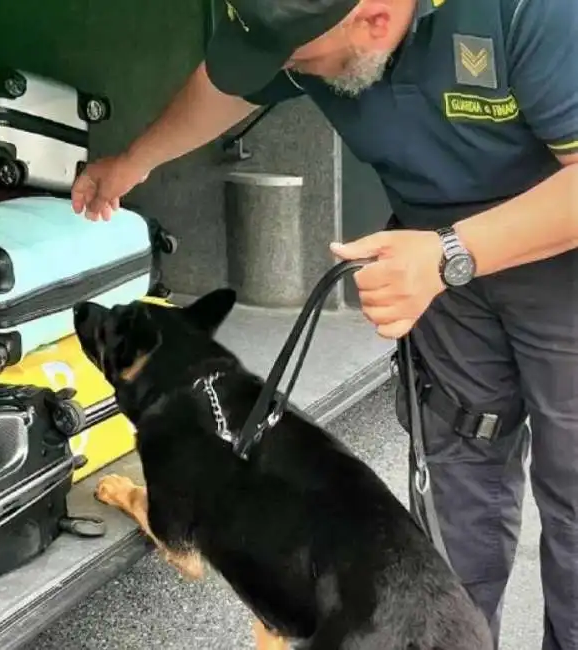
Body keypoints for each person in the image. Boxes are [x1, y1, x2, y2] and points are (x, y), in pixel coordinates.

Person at [70, 0, 578, 647]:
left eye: (296, 60)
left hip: (557, 254)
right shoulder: (299, 21)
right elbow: (228, 83)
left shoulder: (527, 12)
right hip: (437, 261)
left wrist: (451, 252)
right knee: (463, 481)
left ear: (374, 19)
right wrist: (135, 160)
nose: (284, 70)